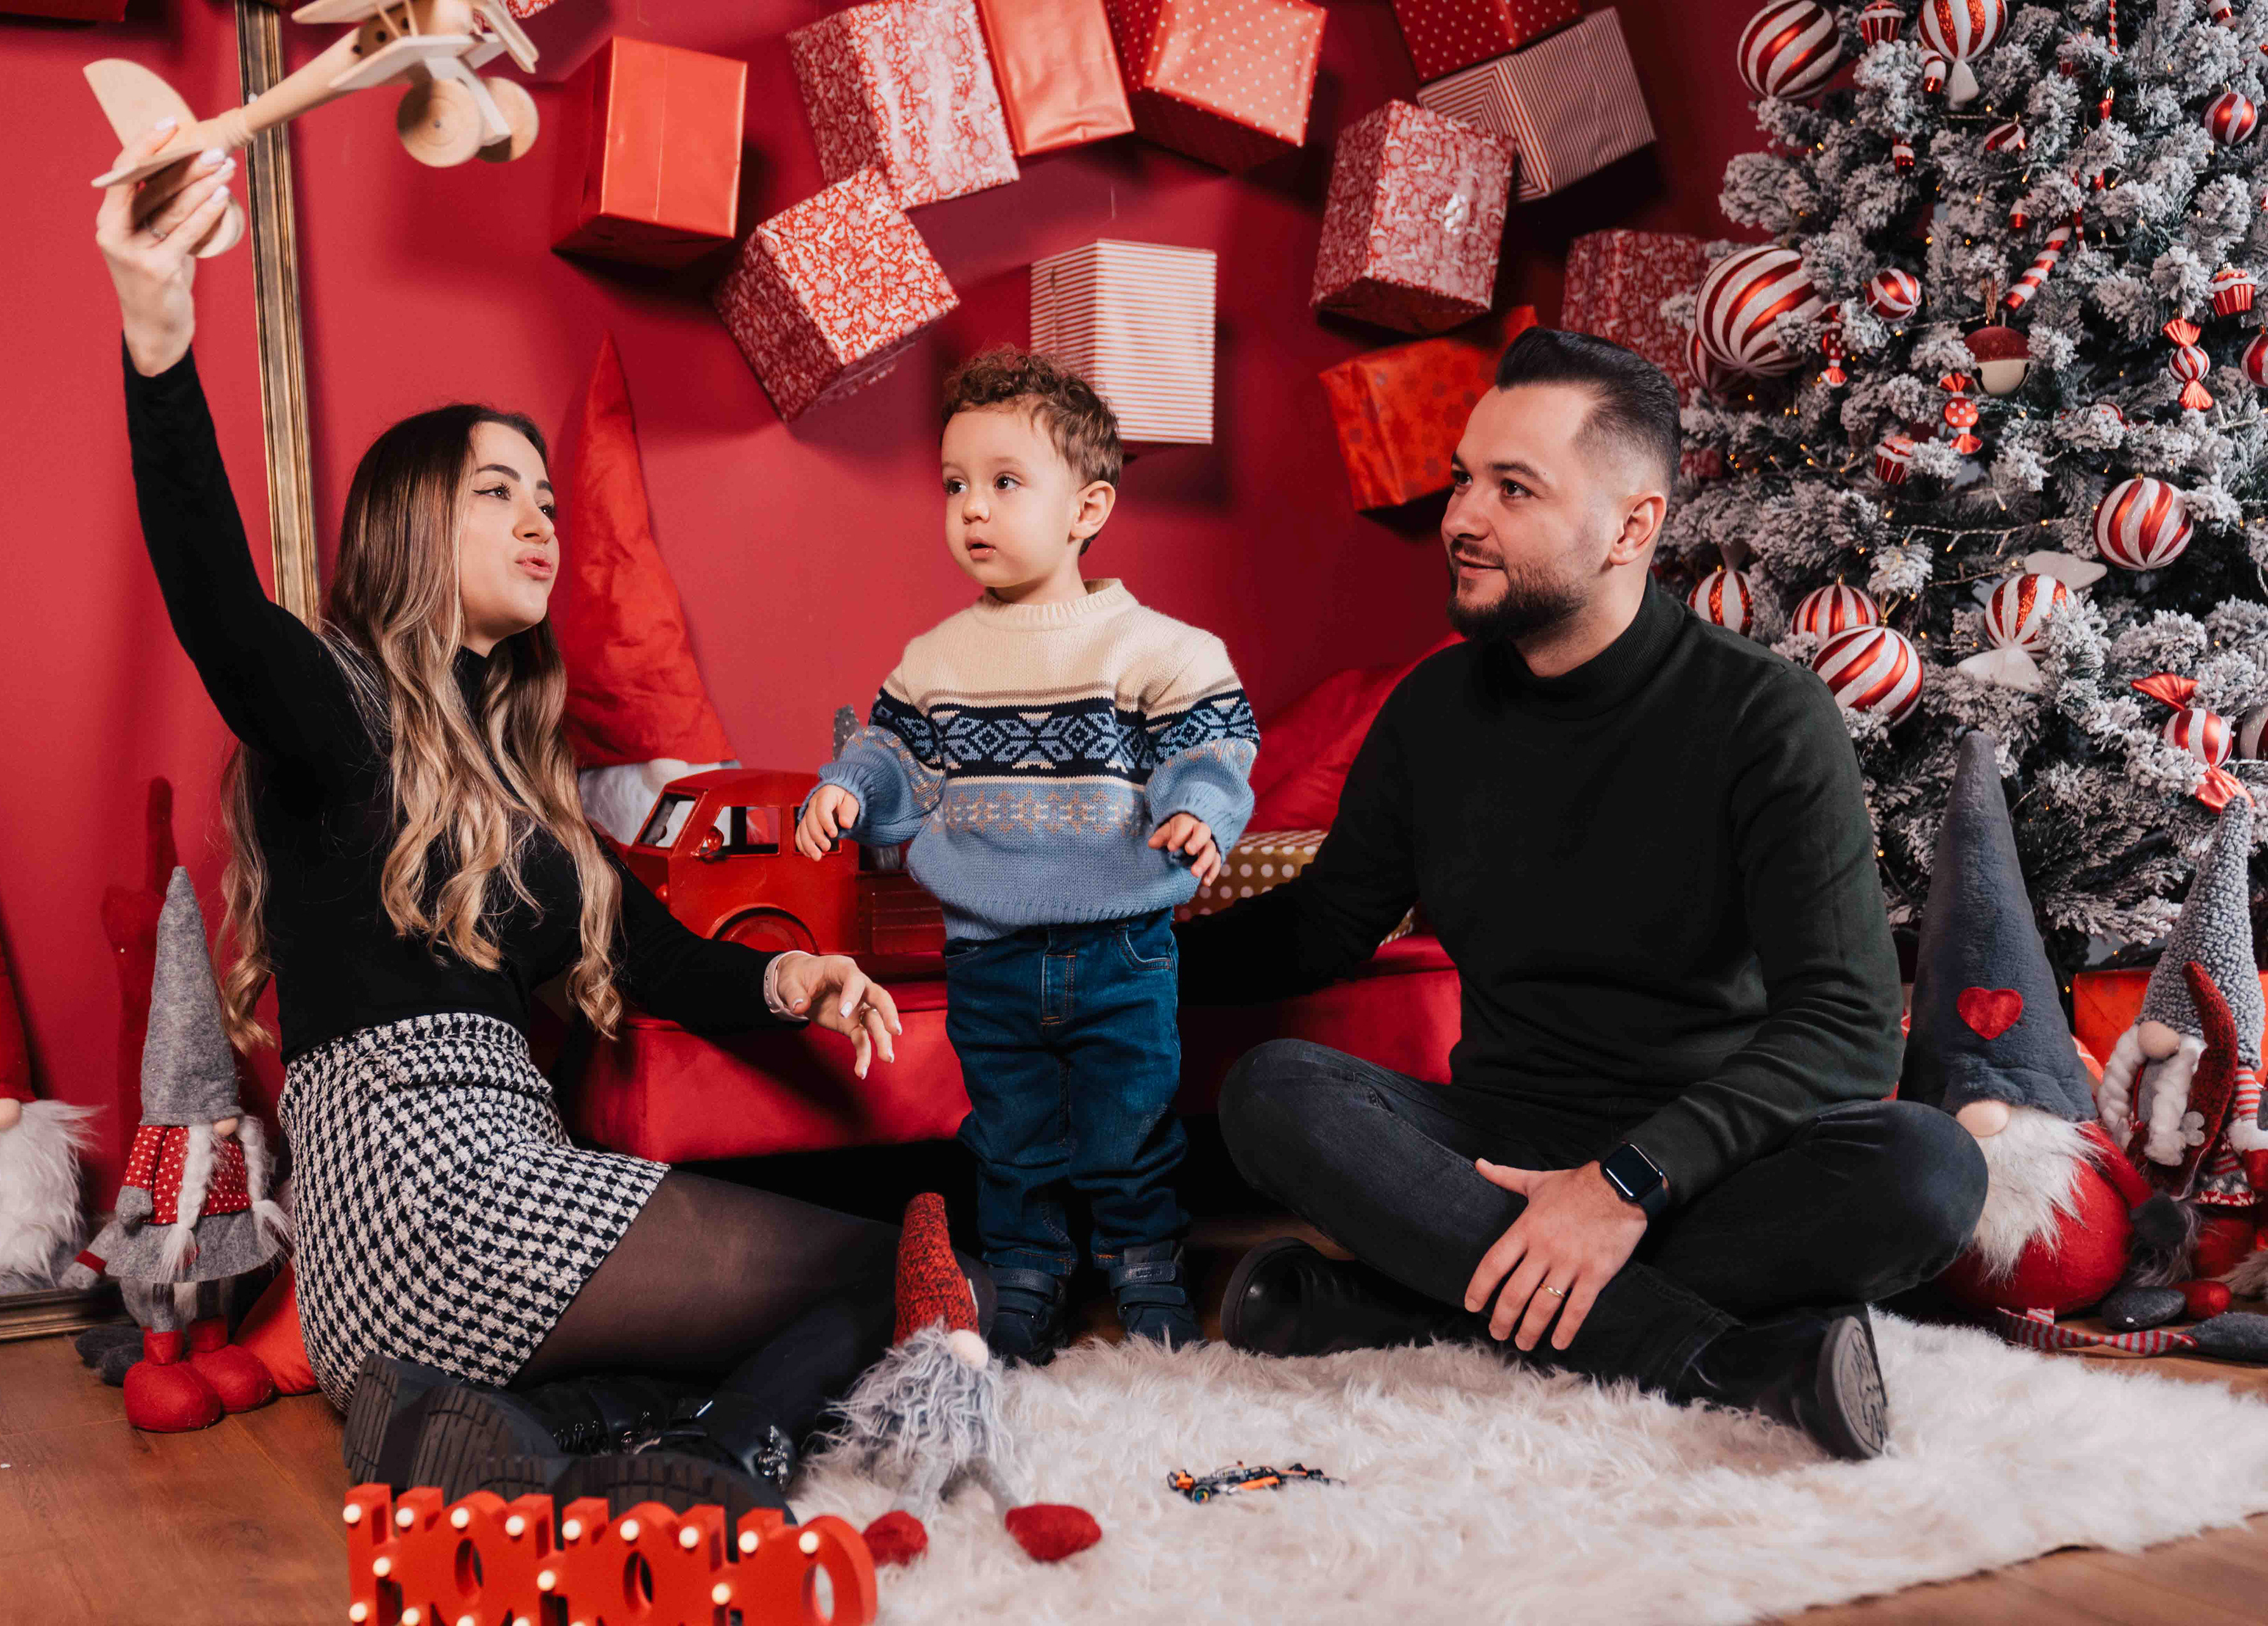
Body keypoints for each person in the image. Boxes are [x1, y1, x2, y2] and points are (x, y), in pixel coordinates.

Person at [97, 133, 967, 1517]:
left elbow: (656, 957)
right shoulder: (335, 703)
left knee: (880, 1261)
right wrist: (157, 331)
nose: (540, 520)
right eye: (496, 491)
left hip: (437, 1237)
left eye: (548, 499)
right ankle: (713, 1464)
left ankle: (490, 1430)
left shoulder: (522, 786)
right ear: (408, 523)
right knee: (896, 1269)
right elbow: (213, 596)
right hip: (439, 1188)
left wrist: (795, 975)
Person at [1184, 327, 1986, 1460]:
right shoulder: (1431, 714)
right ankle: (1721, 1361)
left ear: (1631, 528)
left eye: (1514, 489)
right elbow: (1323, 927)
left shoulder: (1763, 717)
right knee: (1276, 1093)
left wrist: (1622, 1185)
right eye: (1464, 478)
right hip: (1495, 1144)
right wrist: (1124, 960)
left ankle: (1414, 1303)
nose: (1462, 517)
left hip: (1704, 1159)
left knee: (1929, 1172)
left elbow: (1848, 1028)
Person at [796, 348, 1259, 1361]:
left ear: (1088, 509)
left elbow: (1214, 741)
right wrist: (847, 788)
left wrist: (1197, 809)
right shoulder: (937, 660)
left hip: (1122, 946)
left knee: (1131, 1121)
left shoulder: (1155, 648)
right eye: (955, 484)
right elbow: (893, 753)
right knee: (1009, 1129)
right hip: (989, 950)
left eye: (1006, 482)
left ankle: (1146, 1265)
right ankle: (1026, 1270)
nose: (973, 507)